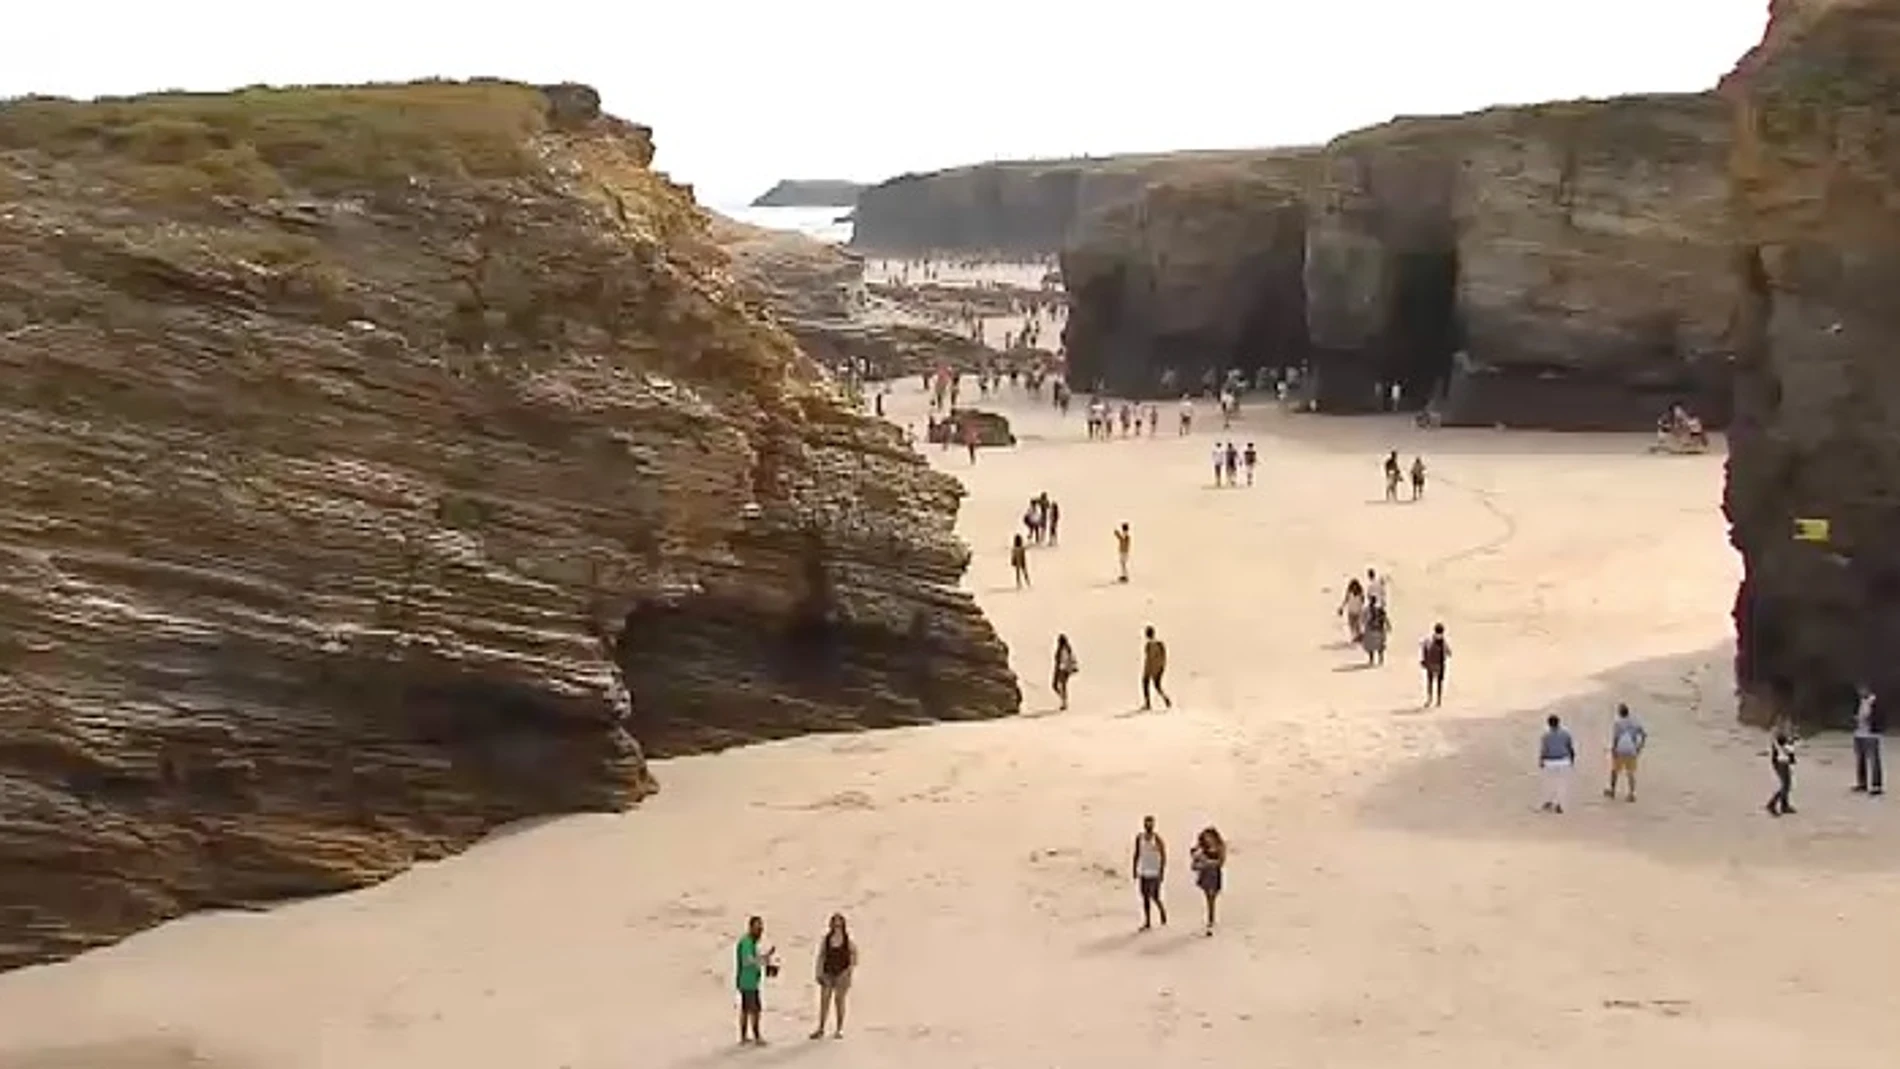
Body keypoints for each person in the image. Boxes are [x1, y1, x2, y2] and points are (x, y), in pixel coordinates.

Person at [809, 913, 857, 1039]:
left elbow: (853, 955)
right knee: (824, 1000)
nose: (837, 925)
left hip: (842, 973)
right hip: (828, 973)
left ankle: (839, 1028)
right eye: (835, 922)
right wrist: (818, 972)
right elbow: (821, 956)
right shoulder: (827, 939)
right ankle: (821, 1028)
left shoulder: (847, 940)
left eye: (839, 922)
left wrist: (849, 970)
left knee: (839, 1001)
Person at [736, 916, 777, 1045]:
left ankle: (744, 1037)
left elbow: (752, 959)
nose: (760, 930)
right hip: (748, 982)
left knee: (746, 1009)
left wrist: (765, 958)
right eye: (758, 927)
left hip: (748, 981)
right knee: (754, 1010)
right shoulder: (747, 942)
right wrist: (764, 960)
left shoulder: (749, 942)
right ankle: (756, 1036)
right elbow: (748, 961)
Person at [1131, 815, 1168, 930]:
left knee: (1155, 896)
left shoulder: (1157, 839)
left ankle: (1162, 912)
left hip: (1155, 871)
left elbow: (1163, 855)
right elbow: (1136, 854)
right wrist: (1134, 869)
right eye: (1146, 823)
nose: (1148, 826)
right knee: (1145, 897)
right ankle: (1147, 921)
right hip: (1144, 871)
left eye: (1150, 823)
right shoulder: (1139, 838)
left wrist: (1162, 871)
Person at [1606, 703, 1646, 802]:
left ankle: (1612, 790)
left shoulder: (1618, 723)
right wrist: (1640, 747)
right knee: (1630, 773)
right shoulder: (1635, 722)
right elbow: (1643, 734)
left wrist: (1613, 749)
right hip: (1631, 749)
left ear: (1620, 713)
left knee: (1614, 771)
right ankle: (1631, 794)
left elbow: (1616, 738)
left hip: (1621, 749)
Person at [1190, 827, 1225, 936]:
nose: (1208, 839)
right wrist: (1200, 860)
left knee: (1211, 897)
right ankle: (1210, 919)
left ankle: (1211, 919)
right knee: (1208, 897)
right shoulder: (1201, 849)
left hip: (1214, 874)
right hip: (1206, 874)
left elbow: (1221, 862)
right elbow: (1194, 866)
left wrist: (1206, 863)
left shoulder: (1219, 847)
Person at [1539, 714, 1577, 814]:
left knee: (1549, 783)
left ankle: (1549, 801)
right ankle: (1559, 804)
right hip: (1563, 761)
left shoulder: (1545, 735)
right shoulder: (1566, 733)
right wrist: (1572, 759)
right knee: (1562, 784)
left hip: (1550, 761)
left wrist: (1541, 760)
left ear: (1549, 724)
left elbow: (1544, 750)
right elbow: (1570, 747)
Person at [1853, 684, 1884, 796]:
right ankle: (1862, 783)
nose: (1860, 692)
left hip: (1872, 735)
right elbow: (1858, 715)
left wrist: (1871, 722)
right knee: (1860, 760)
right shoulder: (1860, 702)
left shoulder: (1875, 702)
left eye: (1862, 690)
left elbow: (1879, 718)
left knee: (1874, 760)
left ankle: (1877, 785)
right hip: (1859, 733)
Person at [1767, 726, 1798, 816]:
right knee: (1786, 785)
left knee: (1787, 784)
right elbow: (1786, 749)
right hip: (1781, 763)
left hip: (1782, 762)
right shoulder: (1780, 739)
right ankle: (1772, 804)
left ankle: (1784, 805)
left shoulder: (1780, 738)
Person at [1141, 625, 1173, 710]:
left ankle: (1148, 704)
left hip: (1151, 669)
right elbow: (1164, 657)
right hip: (1159, 668)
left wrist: (1147, 671)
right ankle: (1166, 699)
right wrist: (1162, 668)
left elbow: (1148, 659)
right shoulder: (1160, 644)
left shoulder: (1149, 645)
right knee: (1157, 686)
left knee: (1146, 684)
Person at [1420, 623, 1449, 706]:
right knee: (1439, 682)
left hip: (1431, 664)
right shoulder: (1443, 641)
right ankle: (1438, 700)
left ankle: (1429, 699)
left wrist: (1423, 660)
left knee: (1430, 681)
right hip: (1440, 664)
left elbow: (1424, 648)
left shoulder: (1429, 639)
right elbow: (1449, 652)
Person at [1052, 634, 1079, 711]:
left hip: (1063, 670)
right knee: (1057, 686)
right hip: (1060, 669)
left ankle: (1064, 702)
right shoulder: (1062, 649)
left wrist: (1069, 667)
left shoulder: (1065, 650)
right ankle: (1063, 700)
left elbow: (1066, 660)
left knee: (1061, 686)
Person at [1361, 597, 1389, 665]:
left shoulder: (1373, 609)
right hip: (1376, 628)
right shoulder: (1377, 609)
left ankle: (1374, 659)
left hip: (1374, 628)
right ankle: (1378, 659)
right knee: (1377, 645)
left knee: (1374, 645)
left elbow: (1364, 619)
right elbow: (1385, 618)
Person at [1338, 577, 1367, 643]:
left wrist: (1362, 609)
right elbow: (1345, 600)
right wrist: (1341, 608)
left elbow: (1363, 601)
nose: (1354, 588)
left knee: (1357, 625)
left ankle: (1359, 636)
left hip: (1358, 611)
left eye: (1355, 586)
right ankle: (1356, 637)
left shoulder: (1360, 593)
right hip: (1351, 611)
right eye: (1353, 586)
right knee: (1352, 626)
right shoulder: (1349, 593)